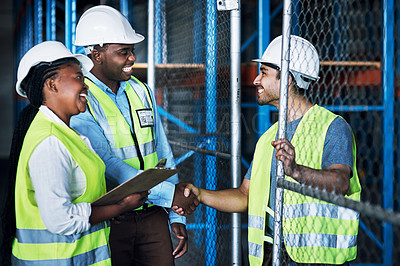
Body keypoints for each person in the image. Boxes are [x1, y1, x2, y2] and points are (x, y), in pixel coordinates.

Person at [173, 35, 362, 265]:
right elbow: (245, 195)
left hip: (317, 259)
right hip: (273, 255)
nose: (255, 80)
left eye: (264, 72)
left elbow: (340, 183)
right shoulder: (268, 138)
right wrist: (200, 194)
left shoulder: (332, 126)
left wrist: (295, 171)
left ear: (288, 79)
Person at [70, 5, 197, 266]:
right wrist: (168, 194)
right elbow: (107, 163)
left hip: (152, 216)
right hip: (111, 217)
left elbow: (163, 152)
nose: (131, 58)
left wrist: (176, 216)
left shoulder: (140, 90)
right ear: (97, 54)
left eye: (132, 51)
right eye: (123, 52)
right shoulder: (81, 97)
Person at [3, 41, 149, 265]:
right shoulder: (50, 141)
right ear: (52, 85)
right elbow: (61, 220)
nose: (86, 86)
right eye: (78, 78)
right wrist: (121, 207)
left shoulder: (66, 134)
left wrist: (111, 209)